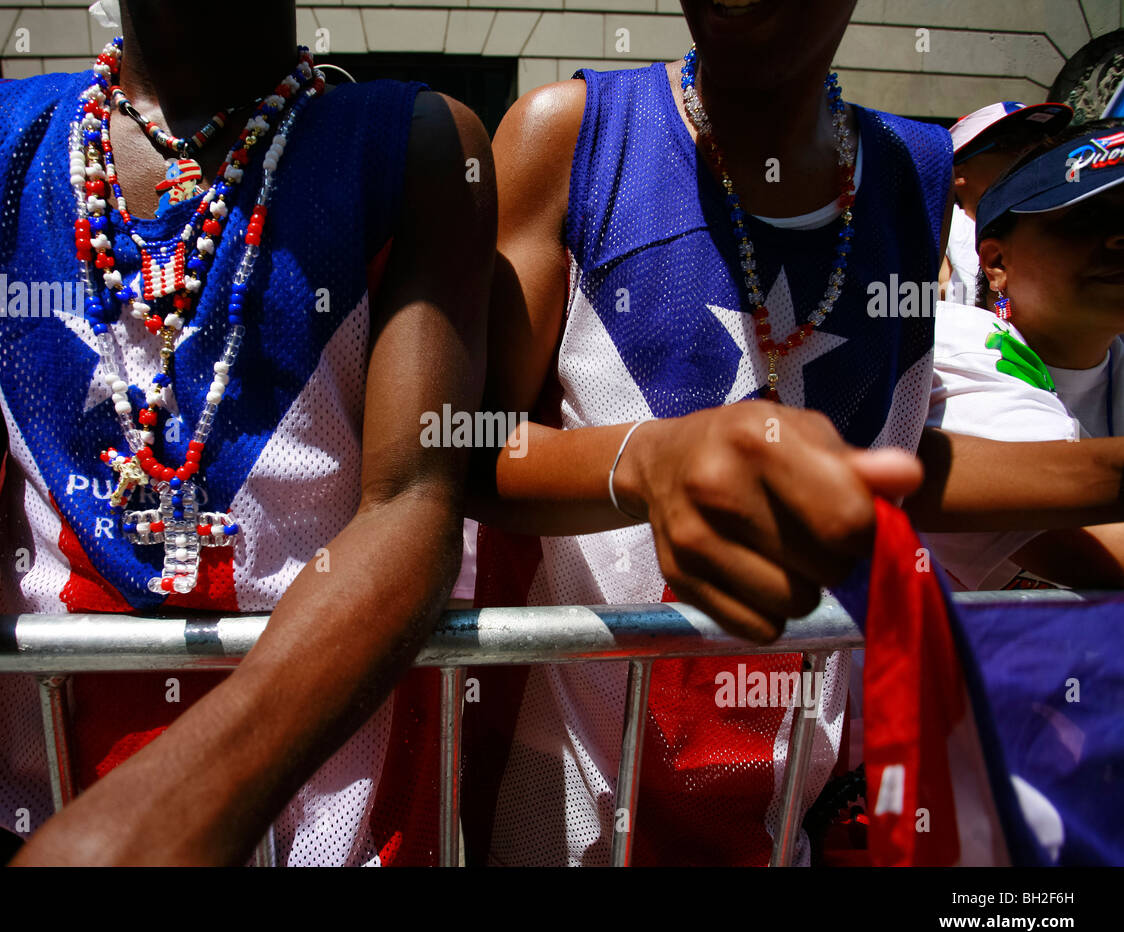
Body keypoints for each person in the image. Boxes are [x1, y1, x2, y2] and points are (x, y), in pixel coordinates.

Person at [0, 0, 494, 866]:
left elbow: (412, 506)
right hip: (32, 791)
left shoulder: (412, 147)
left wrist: (182, 801)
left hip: (323, 803)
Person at [464, 0, 950, 866]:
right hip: (572, 777)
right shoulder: (567, 131)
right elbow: (468, 448)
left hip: (789, 775)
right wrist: (647, 460)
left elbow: (901, 452)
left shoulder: (918, 171)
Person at [925, 120, 1124, 590]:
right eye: (1088, 218)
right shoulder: (953, 345)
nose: (1120, 239)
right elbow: (1095, 549)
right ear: (995, 264)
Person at [940, 101, 1071, 305]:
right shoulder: (937, 238)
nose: (1032, 153)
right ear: (958, 173)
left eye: (1042, 142)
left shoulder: (1073, 225)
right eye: (1012, 143)